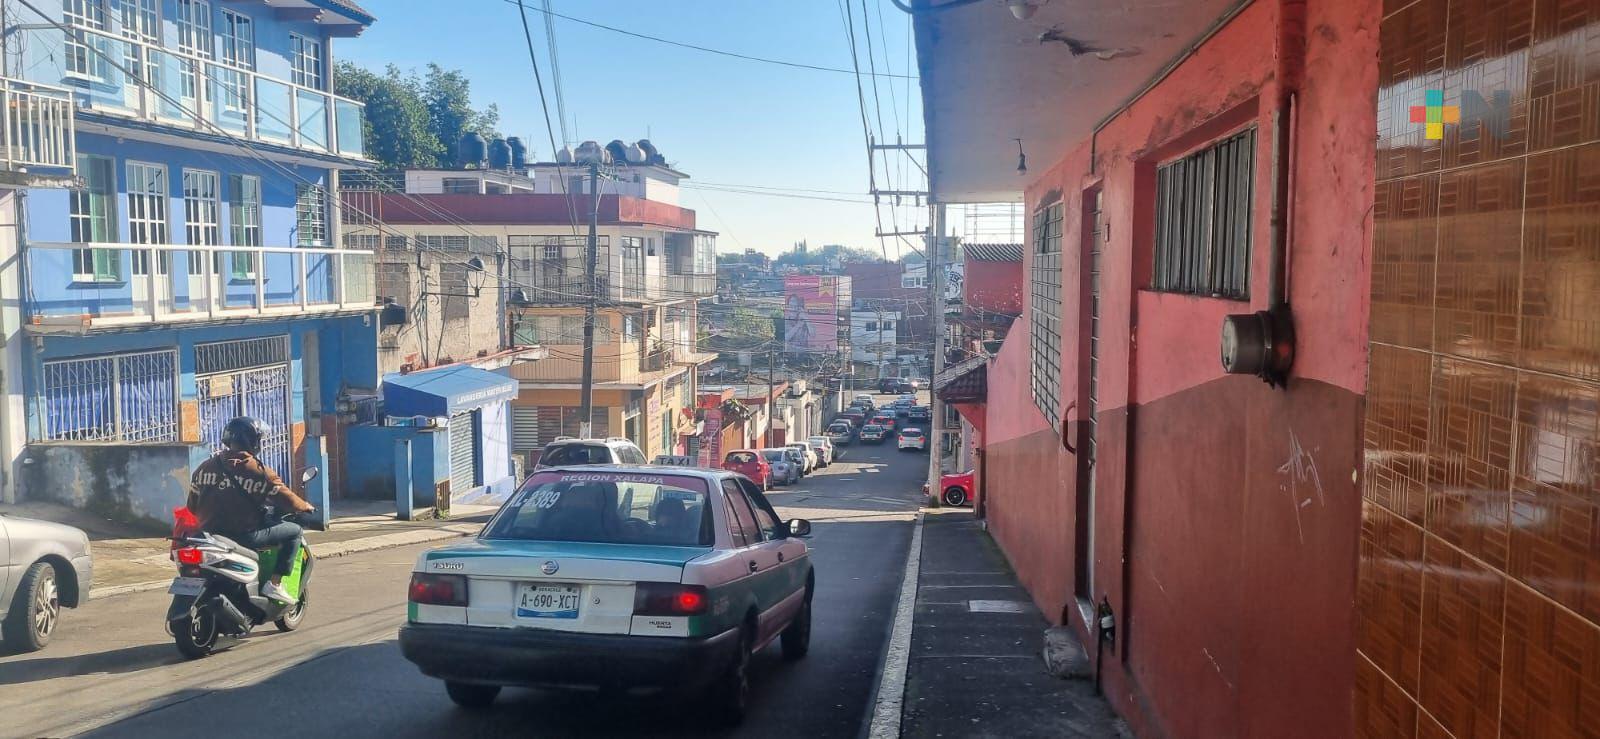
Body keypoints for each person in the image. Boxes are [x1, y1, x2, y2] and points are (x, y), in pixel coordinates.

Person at [186, 417, 315, 604]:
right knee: (294, 531)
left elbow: (192, 506)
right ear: (254, 441)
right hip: (243, 535)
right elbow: (288, 500)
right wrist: (306, 506)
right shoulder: (259, 471)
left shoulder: (204, 467)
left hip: (209, 534)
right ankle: (275, 584)